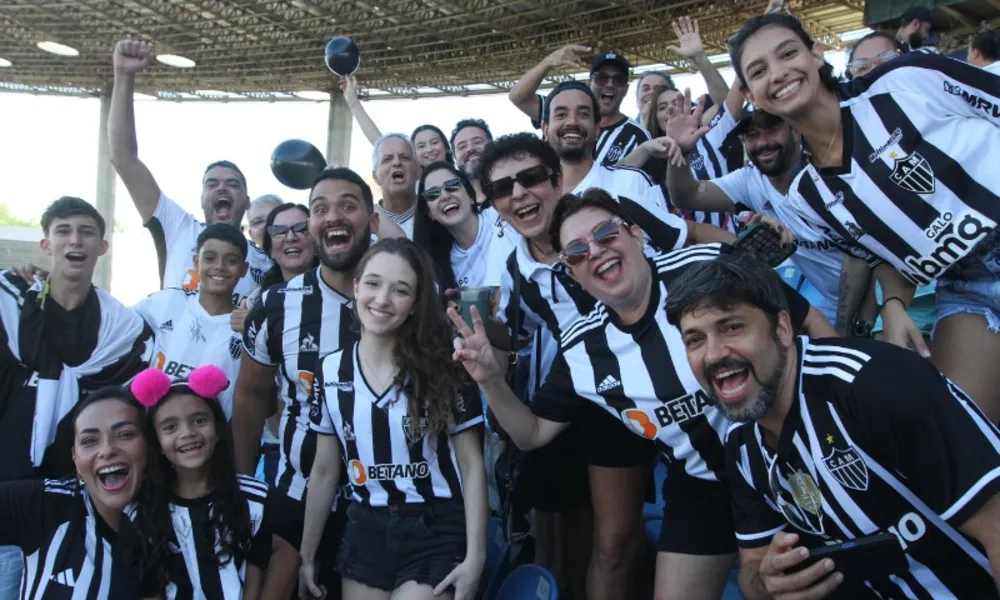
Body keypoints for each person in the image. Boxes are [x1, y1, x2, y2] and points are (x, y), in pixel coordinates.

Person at [451, 190, 831, 600]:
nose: (596, 251)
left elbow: (811, 324)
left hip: (795, 458)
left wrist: (844, 417)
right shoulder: (583, 349)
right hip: (704, 484)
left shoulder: (703, 267)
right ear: (571, 273)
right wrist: (490, 379)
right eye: (577, 251)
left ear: (636, 234)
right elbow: (533, 433)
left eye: (606, 234)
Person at [666, 252, 1000, 599]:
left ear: (782, 328)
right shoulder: (742, 448)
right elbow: (753, 566)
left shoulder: (873, 385)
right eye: (695, 340)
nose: (714, 354)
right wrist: (768, 581)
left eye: (732, 327)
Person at [730, 13, 1000, 421]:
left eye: (788, 53)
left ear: (816, 55)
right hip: (966, 286)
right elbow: (882, 257)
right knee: (961, 434)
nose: (779, 73)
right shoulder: (808, 196)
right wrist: (893, 303)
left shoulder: (902, 81)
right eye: (759, 70)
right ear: (751, 94)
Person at [299, 239, 487, 600]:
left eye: (400, 290)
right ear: (355, 286)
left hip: (435, 524)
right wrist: (307, 556)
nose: (382, 300)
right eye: (372, 283)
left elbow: (471, 464)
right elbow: (324, 470)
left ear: (416, 303)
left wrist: (475, 557)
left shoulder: (447, 364)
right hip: (366, 526)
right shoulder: (330, 368)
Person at [232, 168, 383, 597]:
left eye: (348, 206)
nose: (333, 216)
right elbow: (250, 395)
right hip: (296, 494)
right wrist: (242, 489)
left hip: (384, 503)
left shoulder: (408, 299)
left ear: (372, 222)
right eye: (320, 209)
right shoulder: (276, 307)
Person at [0, 197, 154, 481]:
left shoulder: (121, 330)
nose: (75, 240)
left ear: (102, 247)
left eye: (86, 232)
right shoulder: (8, 302)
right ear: (46, 244)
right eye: (63, 231)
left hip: (72, 484)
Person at [108, 40, 271, 304]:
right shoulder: (178, 229)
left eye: (232, 184)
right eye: (211, 184)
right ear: (201, 199)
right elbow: (123, 158)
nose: (221, 188)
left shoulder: (266, 262)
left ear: (247, 202)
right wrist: (124, 76)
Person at [665, 102, 852, 328]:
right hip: (835, 303)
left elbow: (865, 254)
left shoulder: (826, 168)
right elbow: (687, 196)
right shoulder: (750, 180)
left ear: (794, 128)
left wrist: (851, 325)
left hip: (885, 291)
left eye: (772, 129)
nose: (762, 143)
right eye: (752, 134)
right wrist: (680, 152)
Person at [120, 366, 298, 599]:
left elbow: (259, 568)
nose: (187, 433)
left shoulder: (255, 500)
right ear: (157, 444)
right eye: (170, 427)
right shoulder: (142, 512)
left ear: (218, 429)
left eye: (199, 420)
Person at [0, 385, 147, 599]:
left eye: (124, 434)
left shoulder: (178, 521)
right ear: (75, 459)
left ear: (150, 446)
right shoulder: (46, 504)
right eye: (89, 441)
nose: (107, 450)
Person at [132, 224, 249, 419]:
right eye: (210, 258)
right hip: (154, 433)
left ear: (244, 269)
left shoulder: (248, 327)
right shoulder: (164, 302)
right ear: (196, 263)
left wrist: (254, 334)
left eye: (231, 260)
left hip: (213, 442)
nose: (219, 266)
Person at [413, 162, 516, 291]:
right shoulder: (442, 265)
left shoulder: (500, 215)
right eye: (433, 194)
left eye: (452, 185)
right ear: (430, 214)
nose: (445, 196)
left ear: (471, 196)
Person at [338, 76, 455, 167]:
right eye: (421, 146)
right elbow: (380, 142)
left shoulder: (465, 178)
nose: (429, 150)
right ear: (413, 155)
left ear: (447, 148)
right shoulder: (413, 184)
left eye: (434, 142)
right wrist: (353, 102)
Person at [372, 133, 421, 238]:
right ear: (375, 176)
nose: (397, 162)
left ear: (418, 171)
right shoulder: (364, 223)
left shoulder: (437, 216)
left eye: (404, 157)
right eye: (387, 159)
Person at [451, 119, 493, 202]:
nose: (470, 148)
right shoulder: (454, 203)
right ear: (455, 158)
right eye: (462, 146)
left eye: (477, 142)